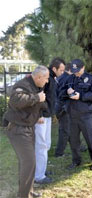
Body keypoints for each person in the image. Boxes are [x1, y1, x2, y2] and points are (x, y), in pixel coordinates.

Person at [3, 66, 49, 198]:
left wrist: (39, 113)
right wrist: (37, 98)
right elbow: (16, 101)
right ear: (38, 77)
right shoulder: (22, 84)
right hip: (18, 129)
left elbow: (35, 103)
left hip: (28, 128)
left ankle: (27, 191)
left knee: (28, 162)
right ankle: (23, 196)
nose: (46, 81)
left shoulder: (34, 85)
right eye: (45, 79)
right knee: (29, 162)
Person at [61, 59, 92, 170]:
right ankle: (76, 161)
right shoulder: (70, 78)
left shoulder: (91, 79)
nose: (76, 72)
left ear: (83, 67)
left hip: (85, 115)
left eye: (78, 70)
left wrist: (81, 96)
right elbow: (61, 92)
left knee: (90, 139)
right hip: (72, 114)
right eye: (74, 70)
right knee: (73, 140)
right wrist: (67, 92)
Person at [34, 58, 65, 184]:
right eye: (61, 70)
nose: (63, 72)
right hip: (41, 118)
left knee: (45, 144)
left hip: (47, 116)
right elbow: (38, 95)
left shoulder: (52, 78)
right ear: (54, 69)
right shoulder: (46, 78)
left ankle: (41, 170)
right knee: (41, 145)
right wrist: (39, 114)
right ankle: (39, 176)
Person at [55, 63, 72, 157]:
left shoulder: (60, 78)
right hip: (63, 108)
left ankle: (78, 146)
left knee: (68, 128)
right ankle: (59, 152)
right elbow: (62, 94)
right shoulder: (67, 79)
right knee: (64, 130)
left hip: (59, 107)